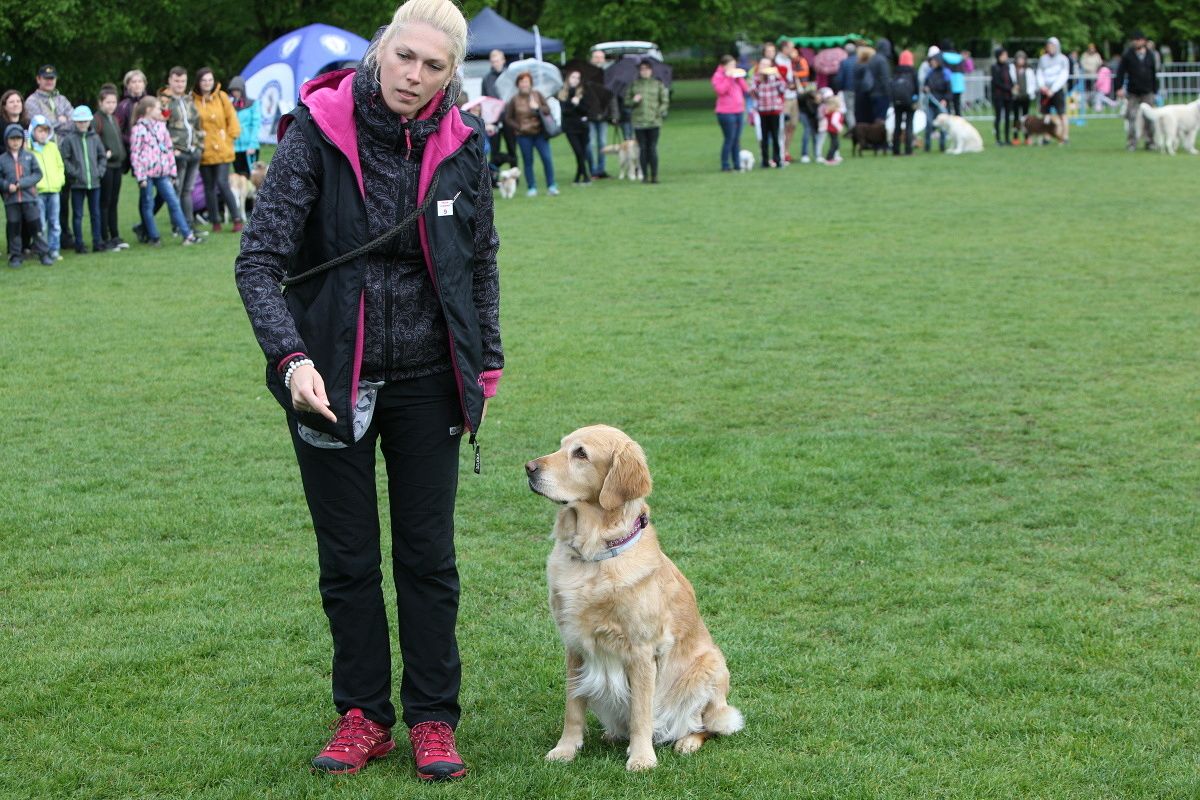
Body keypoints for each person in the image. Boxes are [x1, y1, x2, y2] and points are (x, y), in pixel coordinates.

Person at [234, 0, 501, 781]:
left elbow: (480, 260)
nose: (412, 75)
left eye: (433, 65)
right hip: (327, 379)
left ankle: (433, 719)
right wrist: (291, 359)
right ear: (381, 48)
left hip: (429, 380)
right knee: (348, 560)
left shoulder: (464, 144)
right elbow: (258, 262)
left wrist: (485, 363)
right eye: (404, 56)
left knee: (428, 557)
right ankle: (363, 716)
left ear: (451, 75)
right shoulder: (317, 131)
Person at [129, 95, 203, 246]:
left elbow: (169, 150)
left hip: (163, 173)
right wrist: (141, 177)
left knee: (173, 202)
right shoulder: (138, 129)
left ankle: (187, 235)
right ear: (148, 110)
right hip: (146, 175)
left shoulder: (161, 127)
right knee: (148, 205)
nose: (161, 111)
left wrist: (172, 172)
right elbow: (135, 154)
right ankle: (154, 237)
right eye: (158, 108)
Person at [24, 65, 74, 252]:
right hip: (41, 157)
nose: (49, 81)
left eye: (52, 78)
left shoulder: (62, 99)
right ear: (38, 79)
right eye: (45, 78)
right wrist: (59, 121)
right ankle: (38, 242)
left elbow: (72, 122)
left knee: (63, 200)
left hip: (62, 155)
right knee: (40, 206)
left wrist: (56, 123)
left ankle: (63, 236)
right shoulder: (32, 101)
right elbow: (39, 125)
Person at [154, 67, 204, 237]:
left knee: (187, 191)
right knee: (176, 190)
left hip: (193, 150)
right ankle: (177, 226)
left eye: (183, 81)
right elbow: (160, 128)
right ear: (170, 81)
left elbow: (196, 123)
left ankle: (188, 224)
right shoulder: (164, 102)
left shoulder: (189, 99)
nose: (180, 84)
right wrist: (170, 151)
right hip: (176, 152)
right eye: (176, 81)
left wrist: (199, 145)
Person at [193, 67, 243, 232]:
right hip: (204, 150)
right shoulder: (192, 100)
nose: (207, 83)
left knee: (222, 183)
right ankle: (215, 222)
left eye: (210, 80)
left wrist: (229, 138)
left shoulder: (222, 97)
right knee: (209, 187)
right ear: (198, 82)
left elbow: (232, 119)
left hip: (222, 149)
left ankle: (236, 219)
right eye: (204, 80)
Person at [2, 123, 53, 267]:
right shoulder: (2, 159)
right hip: (11, 200)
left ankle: (44, 254)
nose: (15, 142)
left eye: (18, 139)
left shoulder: (29, 156)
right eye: (12, 139)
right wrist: (7, 186)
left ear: (22, 140)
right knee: (14, 228)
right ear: (7, 140)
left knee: (36, 227)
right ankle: (15, 256)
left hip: (29, 198)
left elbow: (38, 174)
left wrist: (21, 183)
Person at [60, 105, 106, 255]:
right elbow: (65, 159)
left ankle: (97, 242)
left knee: (95, 214)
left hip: (94, 182)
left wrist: (99, 172)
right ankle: (79, 244)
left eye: (85, 121)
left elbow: (102, 156)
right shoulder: (69, 139)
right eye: (80, 121)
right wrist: (74, 174)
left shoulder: (95, 138)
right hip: (77, 184)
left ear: (89, 121)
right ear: (75, 122)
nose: (82, 124)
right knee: (78, 215)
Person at [504, 71, 557, 196]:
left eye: (526, 82)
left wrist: (537, 108)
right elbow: (508, 118)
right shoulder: (514, 99)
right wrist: (519, 127)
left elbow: (548, 110)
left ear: (531, 83)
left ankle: (551, 186)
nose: (524, 84)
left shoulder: (537, 95)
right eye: (522, 82)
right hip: (524, 136)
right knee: (528, 161)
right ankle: (531, 187)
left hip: (540, 133)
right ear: (518, 84)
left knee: (547, 159)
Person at [93, 84, 129, 251]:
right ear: (100, 102)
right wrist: (104, 153)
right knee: (105, 202)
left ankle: (115, 235)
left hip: (117, 165)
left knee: (114, 201)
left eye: (114, 102)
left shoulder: (114, 119)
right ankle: (104, 237)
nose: (111, 105)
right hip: (106, 166)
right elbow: (93, 140)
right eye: (108, 102)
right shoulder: (97, 119)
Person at [27, 115, 64, 260]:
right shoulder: (29, 150)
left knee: (55, 223)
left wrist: (60, 181)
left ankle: (54, 249)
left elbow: (60, 166)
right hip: (38, 192)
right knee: (41, 224)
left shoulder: (52, 147)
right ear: (33, 132)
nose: (43, 134)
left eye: (46, 131)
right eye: (40, 131)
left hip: (54, 190)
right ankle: (43, 250)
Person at [626, 59, 669, 183]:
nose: (644, 71)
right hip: (639, 121)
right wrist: (634, 100)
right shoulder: (634, 85)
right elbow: (627, 102)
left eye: (647, 69)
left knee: (652, 148)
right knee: (643, 149)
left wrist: (658, 112)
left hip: (654, 122)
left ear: (651, 70)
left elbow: (664, 101)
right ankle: (644, 175)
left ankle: (654, 175)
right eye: (642, 69)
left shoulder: (657, 84)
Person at [1115, 31, 1158, 151]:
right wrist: (1118, 87)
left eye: (1138, 40)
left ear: (1143, 41)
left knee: (1149, 117)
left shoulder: (1150, 55)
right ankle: (1131, 143)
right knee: (1131, 117)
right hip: (1133, 92)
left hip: (1147, 91)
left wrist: (1155, 90)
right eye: (1134, 40)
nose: (1135, 42)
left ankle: (1150, 141)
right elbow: (1120, 72)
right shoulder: (1128, 55)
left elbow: (1153, 73)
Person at [480, 49, 516, 169]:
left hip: (509, 118)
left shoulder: (510, 76)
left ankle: (514, 174)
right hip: (493, 120)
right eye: (493, 61)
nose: (495, 63)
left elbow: (515, 97)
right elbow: (484, 100)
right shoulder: (487, 79)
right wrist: (487, 121)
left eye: (497, 60)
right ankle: (494, 176)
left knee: (512, 148)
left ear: (503, 60)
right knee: (494, 151)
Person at [711, 55, 749, 171]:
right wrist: (728, 77)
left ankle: (737, 164)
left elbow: (746, 89)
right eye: (730, 65)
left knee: (737, 139)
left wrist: (739, 78)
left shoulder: (735, 76)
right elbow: (721, 91)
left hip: (739, 110)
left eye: (734, 65)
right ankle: (725, 164)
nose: (733, 67)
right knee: (729, 138)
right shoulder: (718, 76)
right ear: (723, 66)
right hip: (726, 112)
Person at [558, 70, 592, 185]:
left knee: (582, 152)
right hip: (570, 128)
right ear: (568, 78)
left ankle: (578, 176)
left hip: (583, 127)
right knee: (578, 151)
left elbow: (586, 110)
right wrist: (573, 104)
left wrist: (578, 104)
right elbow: (565, 111)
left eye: (578, 78)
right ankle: (585, 176)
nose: (575, 80)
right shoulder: (563, 93)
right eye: (573, 77)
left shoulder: (583, 92)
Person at [750, 57, 785, 168]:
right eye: (762, 64)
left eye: (767, 64)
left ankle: (777, 159)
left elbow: (783, 89)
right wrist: (759, 81)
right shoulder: (756, 78)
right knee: (764, 137)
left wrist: (778, 76)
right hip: (762, 110)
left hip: (774, 109)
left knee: (775, 135)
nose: (764, 66)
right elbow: (753, 93)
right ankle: (765, 160)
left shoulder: (775, 77)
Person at [1037, 37, 1071, 143]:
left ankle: (1065, 136)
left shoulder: (1063, 59)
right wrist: (1042, 86)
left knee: (1062, 114)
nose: (1050, 48)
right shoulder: (1043, 59)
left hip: (1057, 90)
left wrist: (1053, 89)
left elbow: (1063, 75)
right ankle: (1047, 136)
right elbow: (1039, 73)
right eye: (1049, 46)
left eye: (1052, 46)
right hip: (1045, 90)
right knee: (1046, 115)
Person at [228, 76, 260, 177]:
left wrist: (252, 145)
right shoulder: (230, 105)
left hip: (249, 146)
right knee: (239, 176)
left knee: (252, 176)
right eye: (233, 90)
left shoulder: (253, 104)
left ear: (242, 90)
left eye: (237, 90)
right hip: (235, 147)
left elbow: (256, 125)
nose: (235, 93)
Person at [587, 48, 610, 177]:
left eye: (601, 57)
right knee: (591, 144)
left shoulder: (607, 76)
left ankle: (601, 169)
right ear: (592, 59)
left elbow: (611, 96)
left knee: (602, 143)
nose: (598, 60)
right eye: (596, 57)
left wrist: (614, 115)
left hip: (603, 115)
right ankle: (592, 169)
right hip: (589, 115)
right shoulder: (586, 75)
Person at [115, 70, 148, 162]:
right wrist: (131, 140)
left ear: (144, 84)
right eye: (133, 82)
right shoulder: (122, 106)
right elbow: (118, 130)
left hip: (150, 148)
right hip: (129, 148)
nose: (137, 84)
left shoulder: (151, 103)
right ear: (128, 85)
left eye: (140, 81)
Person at [923, 48, 951, 152]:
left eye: (934, 61)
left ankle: (942, 146)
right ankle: (927, 147)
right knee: (929, 123)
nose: (932, 63)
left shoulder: (945, 73)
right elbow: (925, 86)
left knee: (943, 126)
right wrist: (925, 89)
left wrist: (945, 100)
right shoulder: (930, 73)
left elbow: (949, 90)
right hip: (931, 103)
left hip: (941, 103)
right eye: (931, 61)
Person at [890, 50, 918, 155]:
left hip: (897, 102)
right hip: (910, 101)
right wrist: (915, 100)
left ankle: (896, 150)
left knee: (897, 125)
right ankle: (908, 150)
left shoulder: (896, 71)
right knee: (909, 125)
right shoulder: (913, 71)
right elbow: (917, 87)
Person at [990, 48, 1014, 146]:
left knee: (1008, 118)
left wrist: (1012, 87)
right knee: (998, 117)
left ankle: (1007, 139)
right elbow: (996, 82)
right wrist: (1008, 88)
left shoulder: (1007, 66)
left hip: (1008, 96)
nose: (1006, 57)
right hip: (998, 96)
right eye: (1004, 55)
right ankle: (998, 139)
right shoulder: (994, 67)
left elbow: (1010, 79)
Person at [1011, 51, 1036, 143]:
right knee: (1016, 118)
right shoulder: (1012, 69)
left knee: (1026, 118)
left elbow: (1033, 83)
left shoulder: (1029, 71)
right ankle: (1015, 137)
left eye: (1022, 59)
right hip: (1016, 97)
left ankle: (1027, 137)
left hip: (1026, 97)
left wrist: (1030, 92)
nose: (1020, 61)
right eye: (1019, 59)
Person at [938, 41, 966, 116]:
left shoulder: (942, 56)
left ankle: (949, 120)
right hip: (959, 83)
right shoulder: (959, 56)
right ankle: (959, 121)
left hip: (948, 83)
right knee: (957, 106)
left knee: (947, 106)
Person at [835, 42, 857, 128]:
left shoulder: (844, 62)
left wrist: (838, 88)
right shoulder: (860, 61)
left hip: (848, 89)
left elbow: (840, 78)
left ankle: (853, 130)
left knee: (849, 110)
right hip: (859, 89)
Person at [819, 89, 843, 165]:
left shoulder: (831, 112)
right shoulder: (836, 113)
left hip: (831, 130)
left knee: (835, 144)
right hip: (833, 130)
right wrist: (839, 128)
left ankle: (831, 158)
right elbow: (834, 122)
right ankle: (829, 158)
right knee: (835, 144)